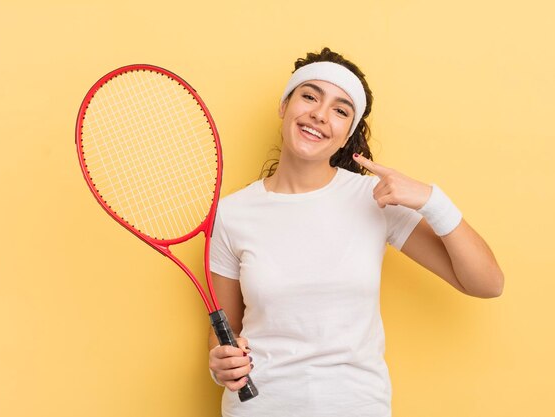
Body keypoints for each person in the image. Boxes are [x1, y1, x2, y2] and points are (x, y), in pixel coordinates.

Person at [207, 47, 504, 417]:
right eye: (310, 96)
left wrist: (432, 200)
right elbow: (227, 330)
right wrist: (221, 363)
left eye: (340, 109)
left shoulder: (374, 199)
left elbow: (487, 284)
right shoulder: (232, 214)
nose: (319, 113)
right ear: (284, 106)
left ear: (347, 135)